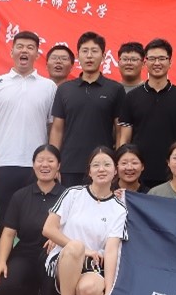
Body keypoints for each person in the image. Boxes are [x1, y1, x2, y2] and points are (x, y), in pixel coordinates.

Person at [43, 146, 126, 295]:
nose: (101, 169)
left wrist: (108, 293)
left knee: (91, 290)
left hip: (93, 265)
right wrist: (83, 250)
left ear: (115, 170)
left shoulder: (119, 209)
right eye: (96, 165)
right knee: (76, 247)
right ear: (89, 171)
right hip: (65, 257)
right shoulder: (73, 194)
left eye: (107, 164)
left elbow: (112, 251)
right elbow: (48, 228)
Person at [0, 30, 55, 216]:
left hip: (37, 166)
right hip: (1, 163)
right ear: (12, 52)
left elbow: (53, 127)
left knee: (34, 219)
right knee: (2, 219)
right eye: (20, 47)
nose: (24, 51)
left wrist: (52, 162)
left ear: (37, 54)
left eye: (30, 48)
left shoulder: (49, 86)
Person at [0, 144, 64, 295]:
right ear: (33, 164)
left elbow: (75, 228)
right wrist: (1, 262)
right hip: (26, 253)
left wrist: (58, 238)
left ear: (58, 165)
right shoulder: (20, 196)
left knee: (51, 260)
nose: (45, 165)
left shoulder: (68, 195)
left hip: (54, 253)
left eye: (50, 161)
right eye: (40, 160)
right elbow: (8, 233)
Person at [50, 31, 126, 188]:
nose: (89, 56)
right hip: (69, 165)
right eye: (85, 51)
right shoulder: (64, 89)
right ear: (78, 56)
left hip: (103, 166)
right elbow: (57, 130)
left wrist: (117, 162)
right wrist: (54, 162)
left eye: (94, 51)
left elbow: (120, 131)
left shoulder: (115, 89)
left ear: (103, 56)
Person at [118, 38, 176, 190]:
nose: (157, 63)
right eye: (152, 59)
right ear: (145, 62)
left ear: (170, 62)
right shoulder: (131, 97)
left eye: (162, 58)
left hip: (173, 172)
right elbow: (124, 139)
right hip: (138, 173)